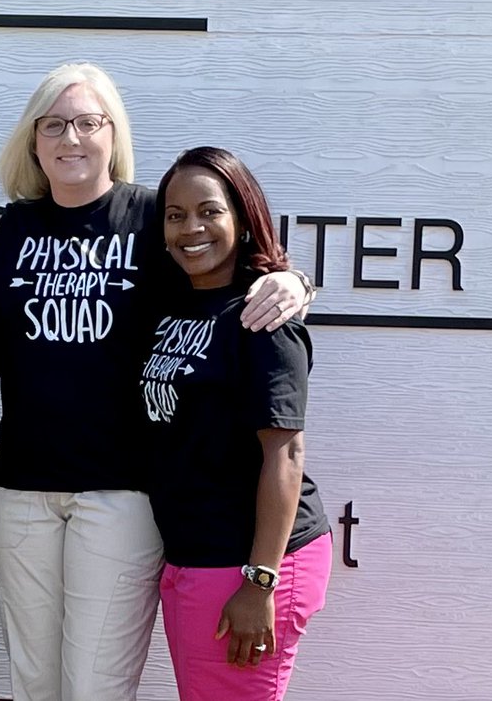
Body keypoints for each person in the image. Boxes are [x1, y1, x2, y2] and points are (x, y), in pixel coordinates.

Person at [0, 63, 315, 701]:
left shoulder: (151, 217)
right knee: (33, 683)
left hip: (122, 493)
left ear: (113, 134)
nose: (70, 137)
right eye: (53, 125)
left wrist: (294, 282)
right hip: (22, 489)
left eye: (87, 122)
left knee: (96, 686)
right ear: (33, 140)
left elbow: (228, 260)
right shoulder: (9, 233)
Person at [143, 147, 331, 701]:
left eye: (209, 211)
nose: (191, 228)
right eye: (175, 216)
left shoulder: (262, 318)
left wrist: (260, 581)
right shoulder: (176, 306)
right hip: (194, 554)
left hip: (248, 563)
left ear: (243, 219)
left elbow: (286, 454)